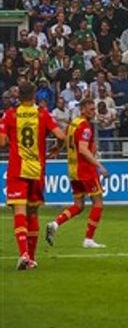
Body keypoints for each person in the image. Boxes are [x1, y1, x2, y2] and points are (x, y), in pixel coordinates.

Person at [1, 93, 60, 269]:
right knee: (32, 212)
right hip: (37, 169)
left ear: (19, 96)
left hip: (18, 168)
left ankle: (23, 255)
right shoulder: (42, 113)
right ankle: (32, 259)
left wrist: (12, 142)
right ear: (33, 96)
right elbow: (61, 135)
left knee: (19, 211)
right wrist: (57, 147)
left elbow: (2, 140)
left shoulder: (10, 114)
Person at [45, 104, 108, 249]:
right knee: (98, 203)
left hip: (73, 170)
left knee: (78, 206)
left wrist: (58, 148)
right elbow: (83, 149)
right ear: (83, 109)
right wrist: (99, 166)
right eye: (91, 109)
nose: (94, 112)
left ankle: (54, 224)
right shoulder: (85, 126)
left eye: (94, 109)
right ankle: (88, 239)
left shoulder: (73, 123)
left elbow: (64, 138)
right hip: (86, 170)